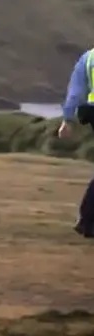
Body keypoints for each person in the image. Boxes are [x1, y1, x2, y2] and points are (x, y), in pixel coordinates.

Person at [58, 48, 94, 238]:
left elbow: (76, 91)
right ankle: (87, 220)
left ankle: (86, 221)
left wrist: (67, 119)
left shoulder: (88, 57)